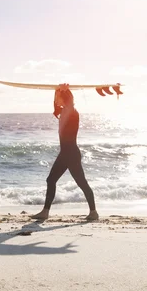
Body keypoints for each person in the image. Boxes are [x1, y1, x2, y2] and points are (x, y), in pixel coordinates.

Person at [31, 84, 98, 221]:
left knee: (82, 183)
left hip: (71, 153)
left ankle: (93, 212)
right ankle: (45, 212)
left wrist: (66, 91)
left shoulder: (72, 112)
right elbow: (55, 109)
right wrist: (56, 92)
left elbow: (67, 105)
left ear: (66, 99)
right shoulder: (63, 112)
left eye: (60, 98)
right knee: (51, 180)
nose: (58, 100)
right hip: (65, 153)